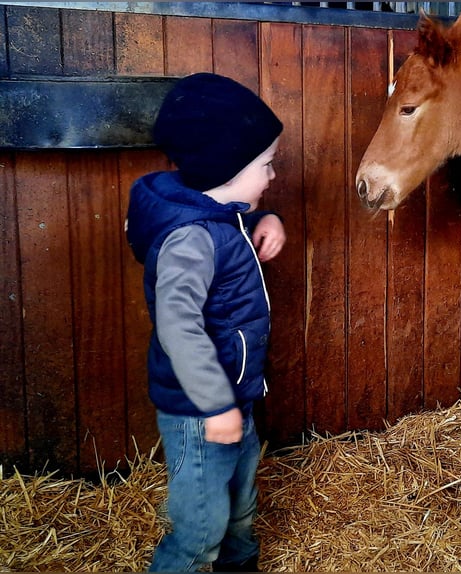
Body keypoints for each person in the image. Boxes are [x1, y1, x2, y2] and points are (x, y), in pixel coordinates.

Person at [125, 72, 286, 572]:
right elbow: (179, 329)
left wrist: (265, 219)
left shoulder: (216, 210)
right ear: (226, 169)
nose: (273, 176)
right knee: (201, 529)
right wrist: (216, 407)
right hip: (202, 413)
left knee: (240, 508)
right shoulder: (190, 239)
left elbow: (231, 217)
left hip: (233, 399)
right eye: (266, 165)